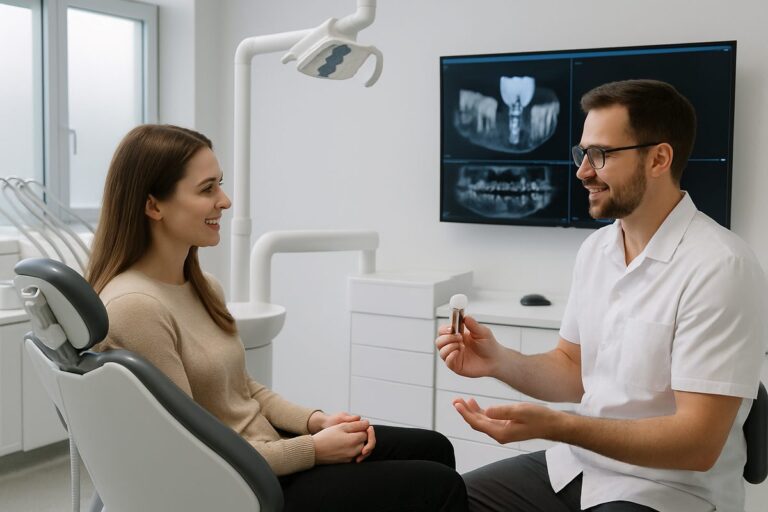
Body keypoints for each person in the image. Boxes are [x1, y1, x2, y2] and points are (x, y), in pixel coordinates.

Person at [88, 124, 468, 512]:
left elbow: (244, 389)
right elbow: (191, 452)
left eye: (220, 184)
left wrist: (314, 421)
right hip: (242, 486)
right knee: (439, 486)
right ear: (154, 206)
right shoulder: (135, 308)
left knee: (435, 447)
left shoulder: (203, 287)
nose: (225, 200)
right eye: (207, 189)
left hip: (268, 451)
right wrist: (312, 451)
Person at [436, 80, 767, 512]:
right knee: (443, 498)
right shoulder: (597, 250)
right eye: (583, 154)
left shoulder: (721, 267)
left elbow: (697, 444)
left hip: (668, 490)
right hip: (578, 467)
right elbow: (573, 369)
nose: (582, 171)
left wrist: (559, 426)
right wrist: (497, 360)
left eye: (601, 155)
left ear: (659, 159)